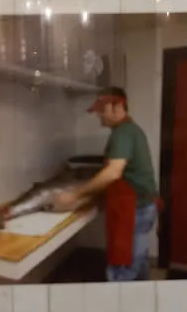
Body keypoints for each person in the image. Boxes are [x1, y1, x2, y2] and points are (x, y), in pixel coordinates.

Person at [51, 87, 162, 282]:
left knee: (122, 269)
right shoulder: (131, 129)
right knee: (140, 261)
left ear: (118, 106)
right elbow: (124, 174)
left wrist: (74, 195)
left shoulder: (123, 132)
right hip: (143, 206)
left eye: (103, 109)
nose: (99, 115)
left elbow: (113, 172)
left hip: (134, 210)